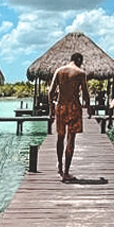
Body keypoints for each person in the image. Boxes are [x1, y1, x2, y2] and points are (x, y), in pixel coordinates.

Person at [48, 52, 90, 181]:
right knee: (70, 140)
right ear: (78, 60)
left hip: (61, 107)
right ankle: (66, 172)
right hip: (74, 108)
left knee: (60, 137)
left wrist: (51, 110)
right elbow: (85, 94)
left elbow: (50, 92)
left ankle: (60, 165)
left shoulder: (59, 71)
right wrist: (88, 108)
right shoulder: (80, 73)